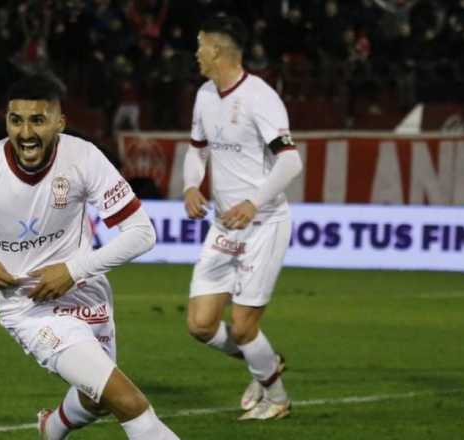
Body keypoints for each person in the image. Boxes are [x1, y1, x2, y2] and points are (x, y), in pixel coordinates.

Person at [0, 75, 180, 440]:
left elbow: (142, 234)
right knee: (129, 402)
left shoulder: (84, 158)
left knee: (96, 400)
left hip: (86, 291)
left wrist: (73, 272)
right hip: (28, 307)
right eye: (16, 120)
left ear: (60, 121)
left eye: (38, 120)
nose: (26, 132)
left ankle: (52, 428)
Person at [181, 15, 303, 421]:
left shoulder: (260, 97)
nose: (196, 53)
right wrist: (190, 186)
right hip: (222, 226)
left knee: (244, 326)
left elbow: (290, 163)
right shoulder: (204, 95)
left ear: (217, 51)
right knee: (200, 325)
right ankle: (265, 363)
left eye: (200, 45)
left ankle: (278, 399)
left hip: (263, 224)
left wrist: (253, 202)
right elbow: (197, 149)